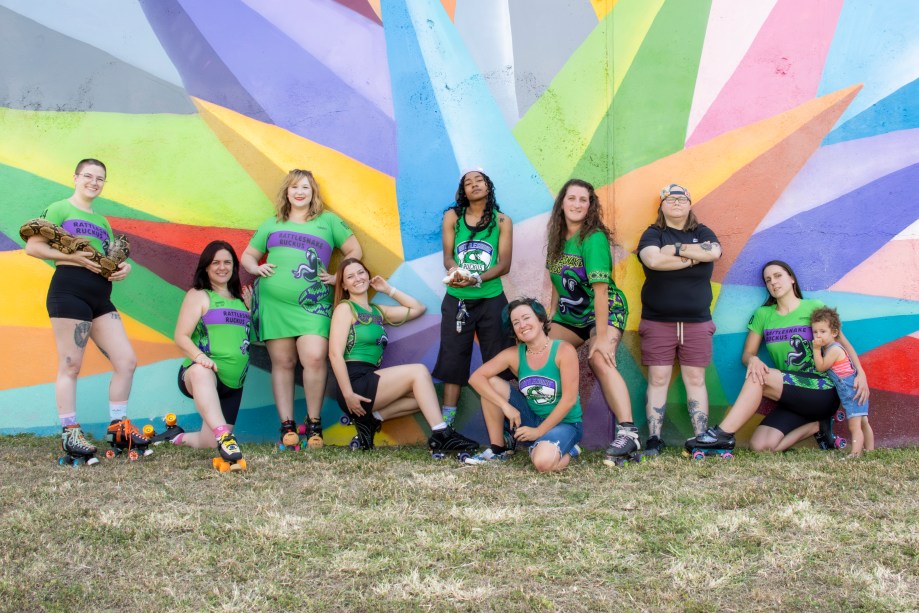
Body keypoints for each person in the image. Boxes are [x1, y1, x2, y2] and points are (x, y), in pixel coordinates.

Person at [23, 158, 145, 464]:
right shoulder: (60, 208)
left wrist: (125, 268)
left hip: (100, 296)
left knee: (126, 361)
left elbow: (108, 260)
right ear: (76, 178)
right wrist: (74, 258)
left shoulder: (102, 222)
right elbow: (33, 247)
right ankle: (70, 433)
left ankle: (118, 428)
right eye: (88, 176)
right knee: (71, 365)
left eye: (100, 178)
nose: (94, 182)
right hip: (69, 290)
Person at [686, 261, 870, 452]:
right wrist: (753, 359)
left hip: (822, 389)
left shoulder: (813, 308)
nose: (773, 282)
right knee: (760, 446)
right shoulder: (763, 314)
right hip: (792, 396)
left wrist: (860, 373)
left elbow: (842, 343)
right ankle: (818, 426)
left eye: (778, 276)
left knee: (759, 376)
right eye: (768, 280)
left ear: (791, 279)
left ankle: (722, 434)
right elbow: (747, 354)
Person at [241, 169, 361, 449]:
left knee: (315, 357)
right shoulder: (272, 223)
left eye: (305, 187)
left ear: (313, 192)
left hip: (314, 303)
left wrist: (338, 276)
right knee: (283, 363)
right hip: (274, 305)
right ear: (287, 192)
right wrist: (255, 268)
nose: (299, 192)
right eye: (294, 187)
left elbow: (355, 251)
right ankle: (287, 426)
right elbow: (248, 255)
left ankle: (314, 424)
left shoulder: (328, 221)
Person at [328, 258, 478, 452]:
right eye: (350, 276)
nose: (357, 278)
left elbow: (418, 308)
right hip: (354, 383)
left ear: (368, 274)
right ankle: (441, 434)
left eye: (361, 272)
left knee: (422, 397)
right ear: (343, 285)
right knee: (418, 372)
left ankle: (372, 421)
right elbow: (334, 354)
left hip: (369, 378)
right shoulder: (345, 308)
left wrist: (387, 289)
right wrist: (348, 394)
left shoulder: (377, 312)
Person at [545, 178, 638, 461]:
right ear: (562, 203)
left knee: (599, 358)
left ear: (590, 206)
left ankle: (629, 434)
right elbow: (556, 283)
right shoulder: (557, 237)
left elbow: (600, 292)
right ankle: (558, 429)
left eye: (583, 200)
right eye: (571, 198)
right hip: (570, 315)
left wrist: (602, 337)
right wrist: (550, 318)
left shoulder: (593, 238)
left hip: (604, 310)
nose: (577, 204)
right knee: (543, 353)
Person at [636, 184, 721, 454]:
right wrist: (694, 258)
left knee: (695, 379)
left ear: (689, 204)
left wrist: (673, 249)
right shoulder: (653, 233)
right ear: (661, 206)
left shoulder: (702, 231)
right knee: (658, 378)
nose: (676, 203)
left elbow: (714, 252)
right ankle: (654, 439)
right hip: (658, 320)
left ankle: (701, 438)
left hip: (697, 321)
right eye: (670, 199)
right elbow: (653, 261)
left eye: (681, 199)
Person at [160, 241, 253, 468]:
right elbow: (181, 336)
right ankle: (226, 438)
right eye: (216, 262)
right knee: (202, 372)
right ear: (206, 267)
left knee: (208, 441)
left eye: (227, 262)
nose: (222, 267)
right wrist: (200, 358)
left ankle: (176, 437)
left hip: (234, 384)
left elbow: (248, 338)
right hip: (201, 374)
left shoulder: (241, 301)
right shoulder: (199, 295)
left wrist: (250, 311)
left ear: (234, 267)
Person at [433, 168, 514, 426]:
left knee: (498, 361)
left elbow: (504, 265)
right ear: (463, 192)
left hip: (492, 299)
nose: (474, 184)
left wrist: (477, 279)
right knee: (453, 361)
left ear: (488, 187)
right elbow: (448, 256)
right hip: (457, 300)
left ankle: (504, 424)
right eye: (468, 182)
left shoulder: (502, 221)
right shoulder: (452, 217)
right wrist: (454, 271)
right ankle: (447, 425)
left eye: (479, 180)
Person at [466, 298, 583, 472]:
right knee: (490, 383)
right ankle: (498, 449)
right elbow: (476, 378)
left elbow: (569, 400)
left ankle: (568, 449)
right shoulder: (513, 354)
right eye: (516, 322)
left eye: (526, 318)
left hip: (565, 423)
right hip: (531, 418)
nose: (522, 325)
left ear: (541, 320)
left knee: (543, 464)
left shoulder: (564, 350)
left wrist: (539, 431)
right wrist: (505, 406)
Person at [810, 306, 873, 457]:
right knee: (864, 422)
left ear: (834, 333)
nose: (818, 335)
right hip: (854, 391)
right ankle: (870, 451)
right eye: (815, 332)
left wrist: (816, 349)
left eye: (823, 331)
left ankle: (855, 454)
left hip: (852, 393)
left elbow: (821, 367)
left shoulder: (834, 350)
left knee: (855, 426)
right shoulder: (832, 348)